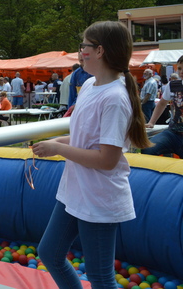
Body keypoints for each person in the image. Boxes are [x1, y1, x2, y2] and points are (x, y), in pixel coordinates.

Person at [31, 21, 151, 289]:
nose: (80, 52)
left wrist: (59, 149)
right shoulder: (88, 86)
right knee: (50, 253)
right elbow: (85, 138)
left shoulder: (115, 98)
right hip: (76, 191)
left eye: (83, 46)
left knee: (100, 277)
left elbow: (107, 161)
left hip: (98, 198)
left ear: (99, 51)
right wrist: (54, 142)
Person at [144, 55, 183, 158]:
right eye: (179, 68)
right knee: (147, 149)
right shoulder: (172, 85)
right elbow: (162, 103)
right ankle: (159, 173)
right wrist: (152, 122)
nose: (181, 71)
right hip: (173, 133)